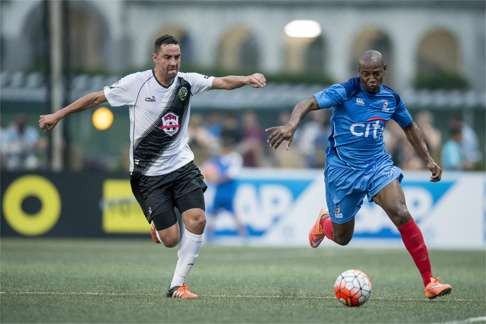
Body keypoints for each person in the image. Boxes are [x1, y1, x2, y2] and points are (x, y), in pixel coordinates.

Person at [39, 34, 266, 299]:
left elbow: (223, 82)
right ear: (155, 58)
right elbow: (95, 99)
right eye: (168, 57)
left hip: (182, 166)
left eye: (177, 57)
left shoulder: (187, 83)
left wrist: (247, 78)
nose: (173, 62)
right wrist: (57, 115)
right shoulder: (136, 83)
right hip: (147, 175)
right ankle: (159, 227)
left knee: (197, 219)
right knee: (170, 239)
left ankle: (177, 285)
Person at [266, 50, 451, 299]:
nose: (371, 79)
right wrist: (292, 125)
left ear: (384, 70)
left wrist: (427, 159)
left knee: (401, 212)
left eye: (376, 74)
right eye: (366, 74)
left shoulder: (391, 99)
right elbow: (307, 102)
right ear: (359, 73)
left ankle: (430, 281)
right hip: (342, 172)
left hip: (377, 166)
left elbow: (410, 127)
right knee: (342, 238)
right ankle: (325, 223)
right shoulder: (345, 91)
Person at [202, 127, 246, 241]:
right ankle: (209, 236)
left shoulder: (235, 158)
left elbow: (232, 174)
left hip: (228, 189)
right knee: (214, 213)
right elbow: (207, 169)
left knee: (231, 212)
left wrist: (216, 179)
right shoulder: (217, 158)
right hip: (219, 189)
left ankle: (244, 236)